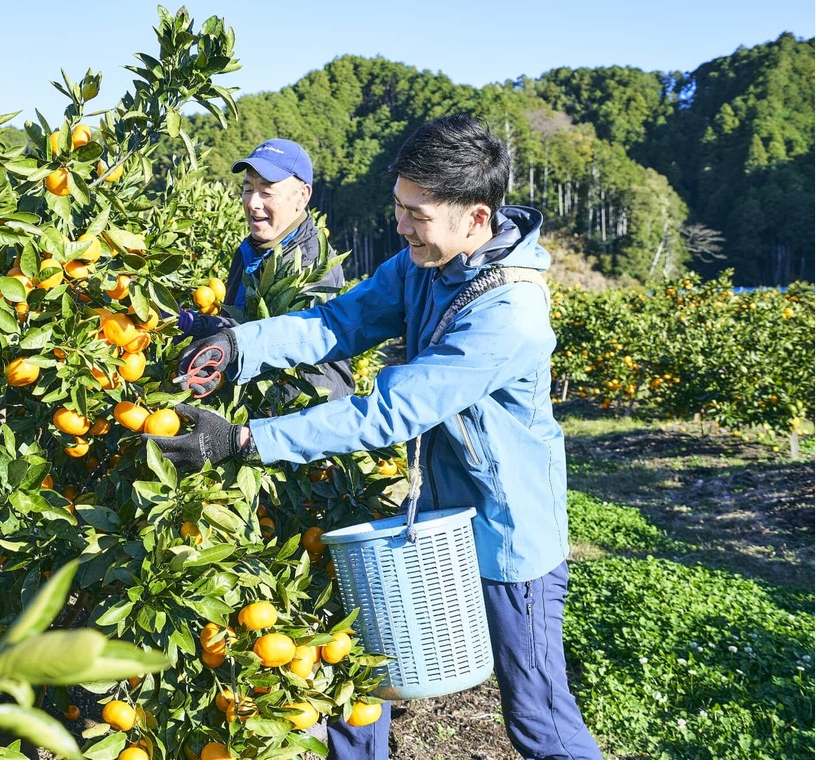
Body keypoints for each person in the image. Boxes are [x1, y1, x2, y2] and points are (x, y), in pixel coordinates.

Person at [148, 115, 603, 760]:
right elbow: (338, 321)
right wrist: (238, 344)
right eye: (399, 207)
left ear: (476, 218)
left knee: (537, 715)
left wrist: (246, 439)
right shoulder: (423, 262)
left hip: (511, 533)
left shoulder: (509, 315)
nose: (400, 225)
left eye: (416, 214)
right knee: (380, 667)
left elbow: (388, 412)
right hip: (448, 515)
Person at [178, 137, 353, 401]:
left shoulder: (309, 260)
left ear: (302, 196)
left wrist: (206, 330)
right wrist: (194, 330)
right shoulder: (250, 249)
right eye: (248, 189)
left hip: (306, 407)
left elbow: (283, 340)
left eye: (267, 191)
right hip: (257, 405)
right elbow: (241, 323)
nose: (253, 203)